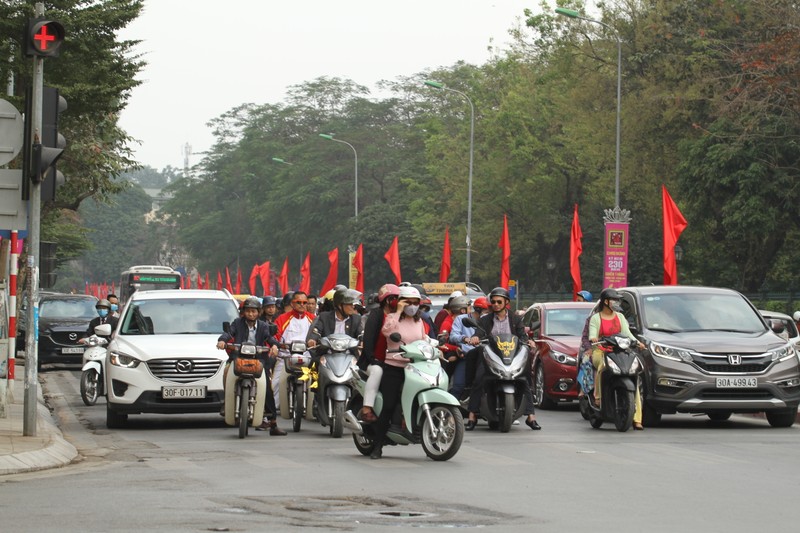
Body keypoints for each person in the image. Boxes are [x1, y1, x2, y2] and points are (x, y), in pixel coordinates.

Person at [464, 287, 541, 431]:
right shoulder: (484, 320)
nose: (496, 304)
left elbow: (522, 335)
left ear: (506, 302)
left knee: (524, 379)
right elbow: (479, 332)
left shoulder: (516, 319)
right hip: (491, 356)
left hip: (510, 357)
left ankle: (531, 416)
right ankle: (472, 416)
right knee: (479, 379)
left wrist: (528, 341)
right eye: (493, 302)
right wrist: (475, 338)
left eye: (499, 301)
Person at [370, 285, 429, 459]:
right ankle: (377, 445)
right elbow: (387, 331)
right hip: (394, 366)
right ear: (398, 302)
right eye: (407, 302)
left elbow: (424, 339)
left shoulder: (419, 322)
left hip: (416, 367)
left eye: (415, 302)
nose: (411, 305)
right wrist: (398, 311)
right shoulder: (392, 317)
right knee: (389, 405)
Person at [215, 297, 286, 435]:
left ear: (259, 312)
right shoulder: (237, 323)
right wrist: (222, 341)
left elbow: (269, 338)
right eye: (248, 311)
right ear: (243, 312)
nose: (251, 314)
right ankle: (226, 404)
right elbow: (228, 333)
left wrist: (274, 346)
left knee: (267, 387)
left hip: (259, 360)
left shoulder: (264, 326)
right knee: (227, 371)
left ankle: (273, 423)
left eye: (254, 311)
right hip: (238, 358)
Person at [587, 288, 646, 430]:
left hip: (620, 352)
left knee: (634, 376)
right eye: (613, 300)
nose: (616, 302)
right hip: (601, 351)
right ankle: (598, 398)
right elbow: (592, 334)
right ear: (606, 302)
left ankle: (637, 418)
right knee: (601, 367)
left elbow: (628, 334)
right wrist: (594, 338)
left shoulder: (620, 317)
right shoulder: (596, 318)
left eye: (616, 300)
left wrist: (637, 342)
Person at [357, 283, 400, 424]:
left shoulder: (400, 316)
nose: (398, 302)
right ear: (387, 300)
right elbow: (368, 339)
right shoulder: (376, 315)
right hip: (373, 361)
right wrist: (373, 359)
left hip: (396, 360)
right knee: (377, 372)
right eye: (395, 298)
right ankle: (367, 409)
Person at [273, 291, 315, 412]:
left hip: (307, 358)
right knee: (275, 383)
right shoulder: (282, 319)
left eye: (304, 302)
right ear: (292, 304)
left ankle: (316, 407)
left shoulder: (313, 319)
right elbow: (275, 336)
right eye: (299, 302)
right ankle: (271, 413)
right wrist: (276, 345)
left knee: (318, 379)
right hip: (285, 358)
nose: (302, 305)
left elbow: (319, 335)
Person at [449, 296, 488, 400]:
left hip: (487, 358)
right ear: (479, 310)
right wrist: (465, 339)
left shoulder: (490, 321)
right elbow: (453, 336)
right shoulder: (461, 319)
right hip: (467, 356)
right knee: (458, 386)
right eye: (486, 311)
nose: (489, 313)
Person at [438, 296, 471, 377]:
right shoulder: (448, 323)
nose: (471, 311)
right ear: (463, 310)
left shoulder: (466, 321)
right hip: (452, 356)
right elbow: (441, 344)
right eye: (470, 308)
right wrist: (456, 348)